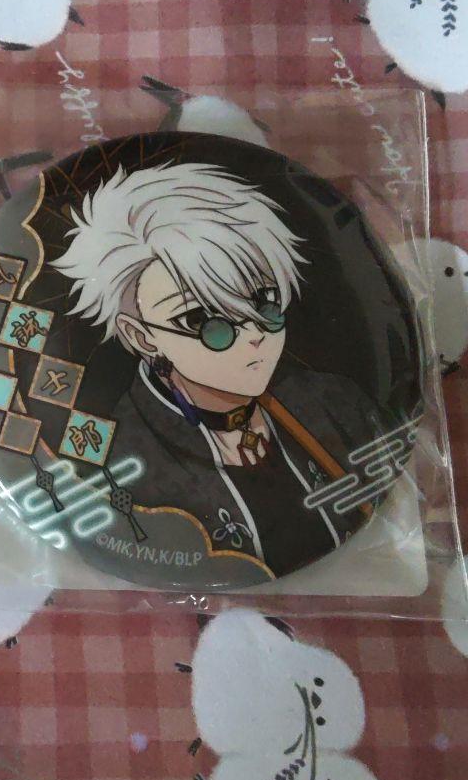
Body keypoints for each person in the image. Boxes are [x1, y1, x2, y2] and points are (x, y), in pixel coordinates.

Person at [52, 161, 387, 577]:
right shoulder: (120, 459)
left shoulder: (336, 403)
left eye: (265, 302)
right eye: (202, 320)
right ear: (142, 337)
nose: (254, 335)